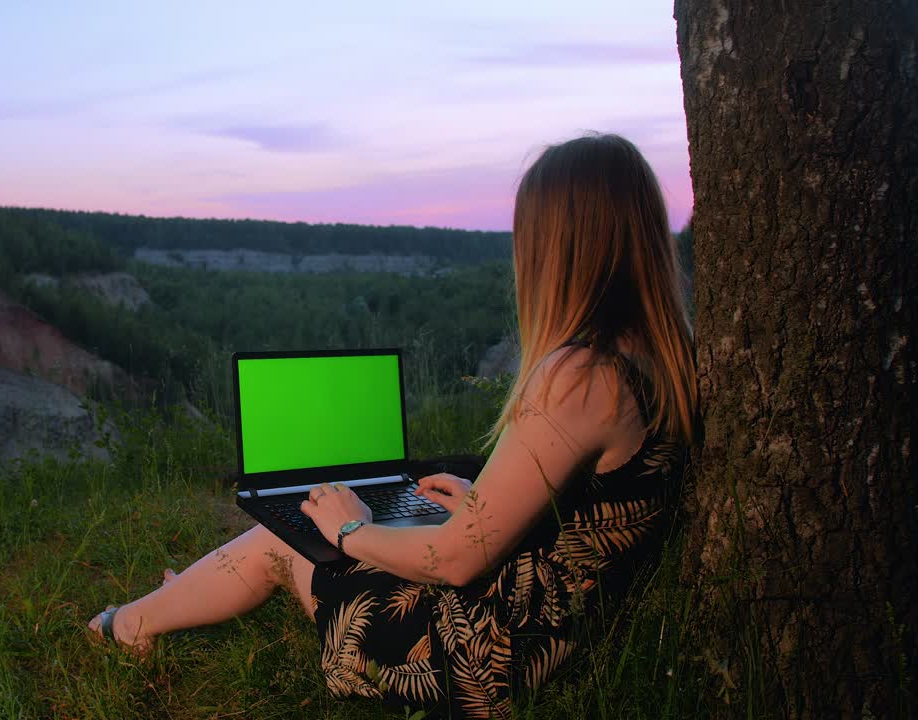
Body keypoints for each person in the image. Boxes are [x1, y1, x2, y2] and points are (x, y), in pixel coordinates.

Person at [88, 133, 697, 718]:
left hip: (476, 654)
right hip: (554, 629)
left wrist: (349, 529)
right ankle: (175, 598)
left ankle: (131, 623)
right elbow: (591, 507)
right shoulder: (662, 356)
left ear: (558, 245)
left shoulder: (579, 375)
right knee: (364, 518)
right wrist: (482, 503)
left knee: (294, 529)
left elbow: (454, 562)